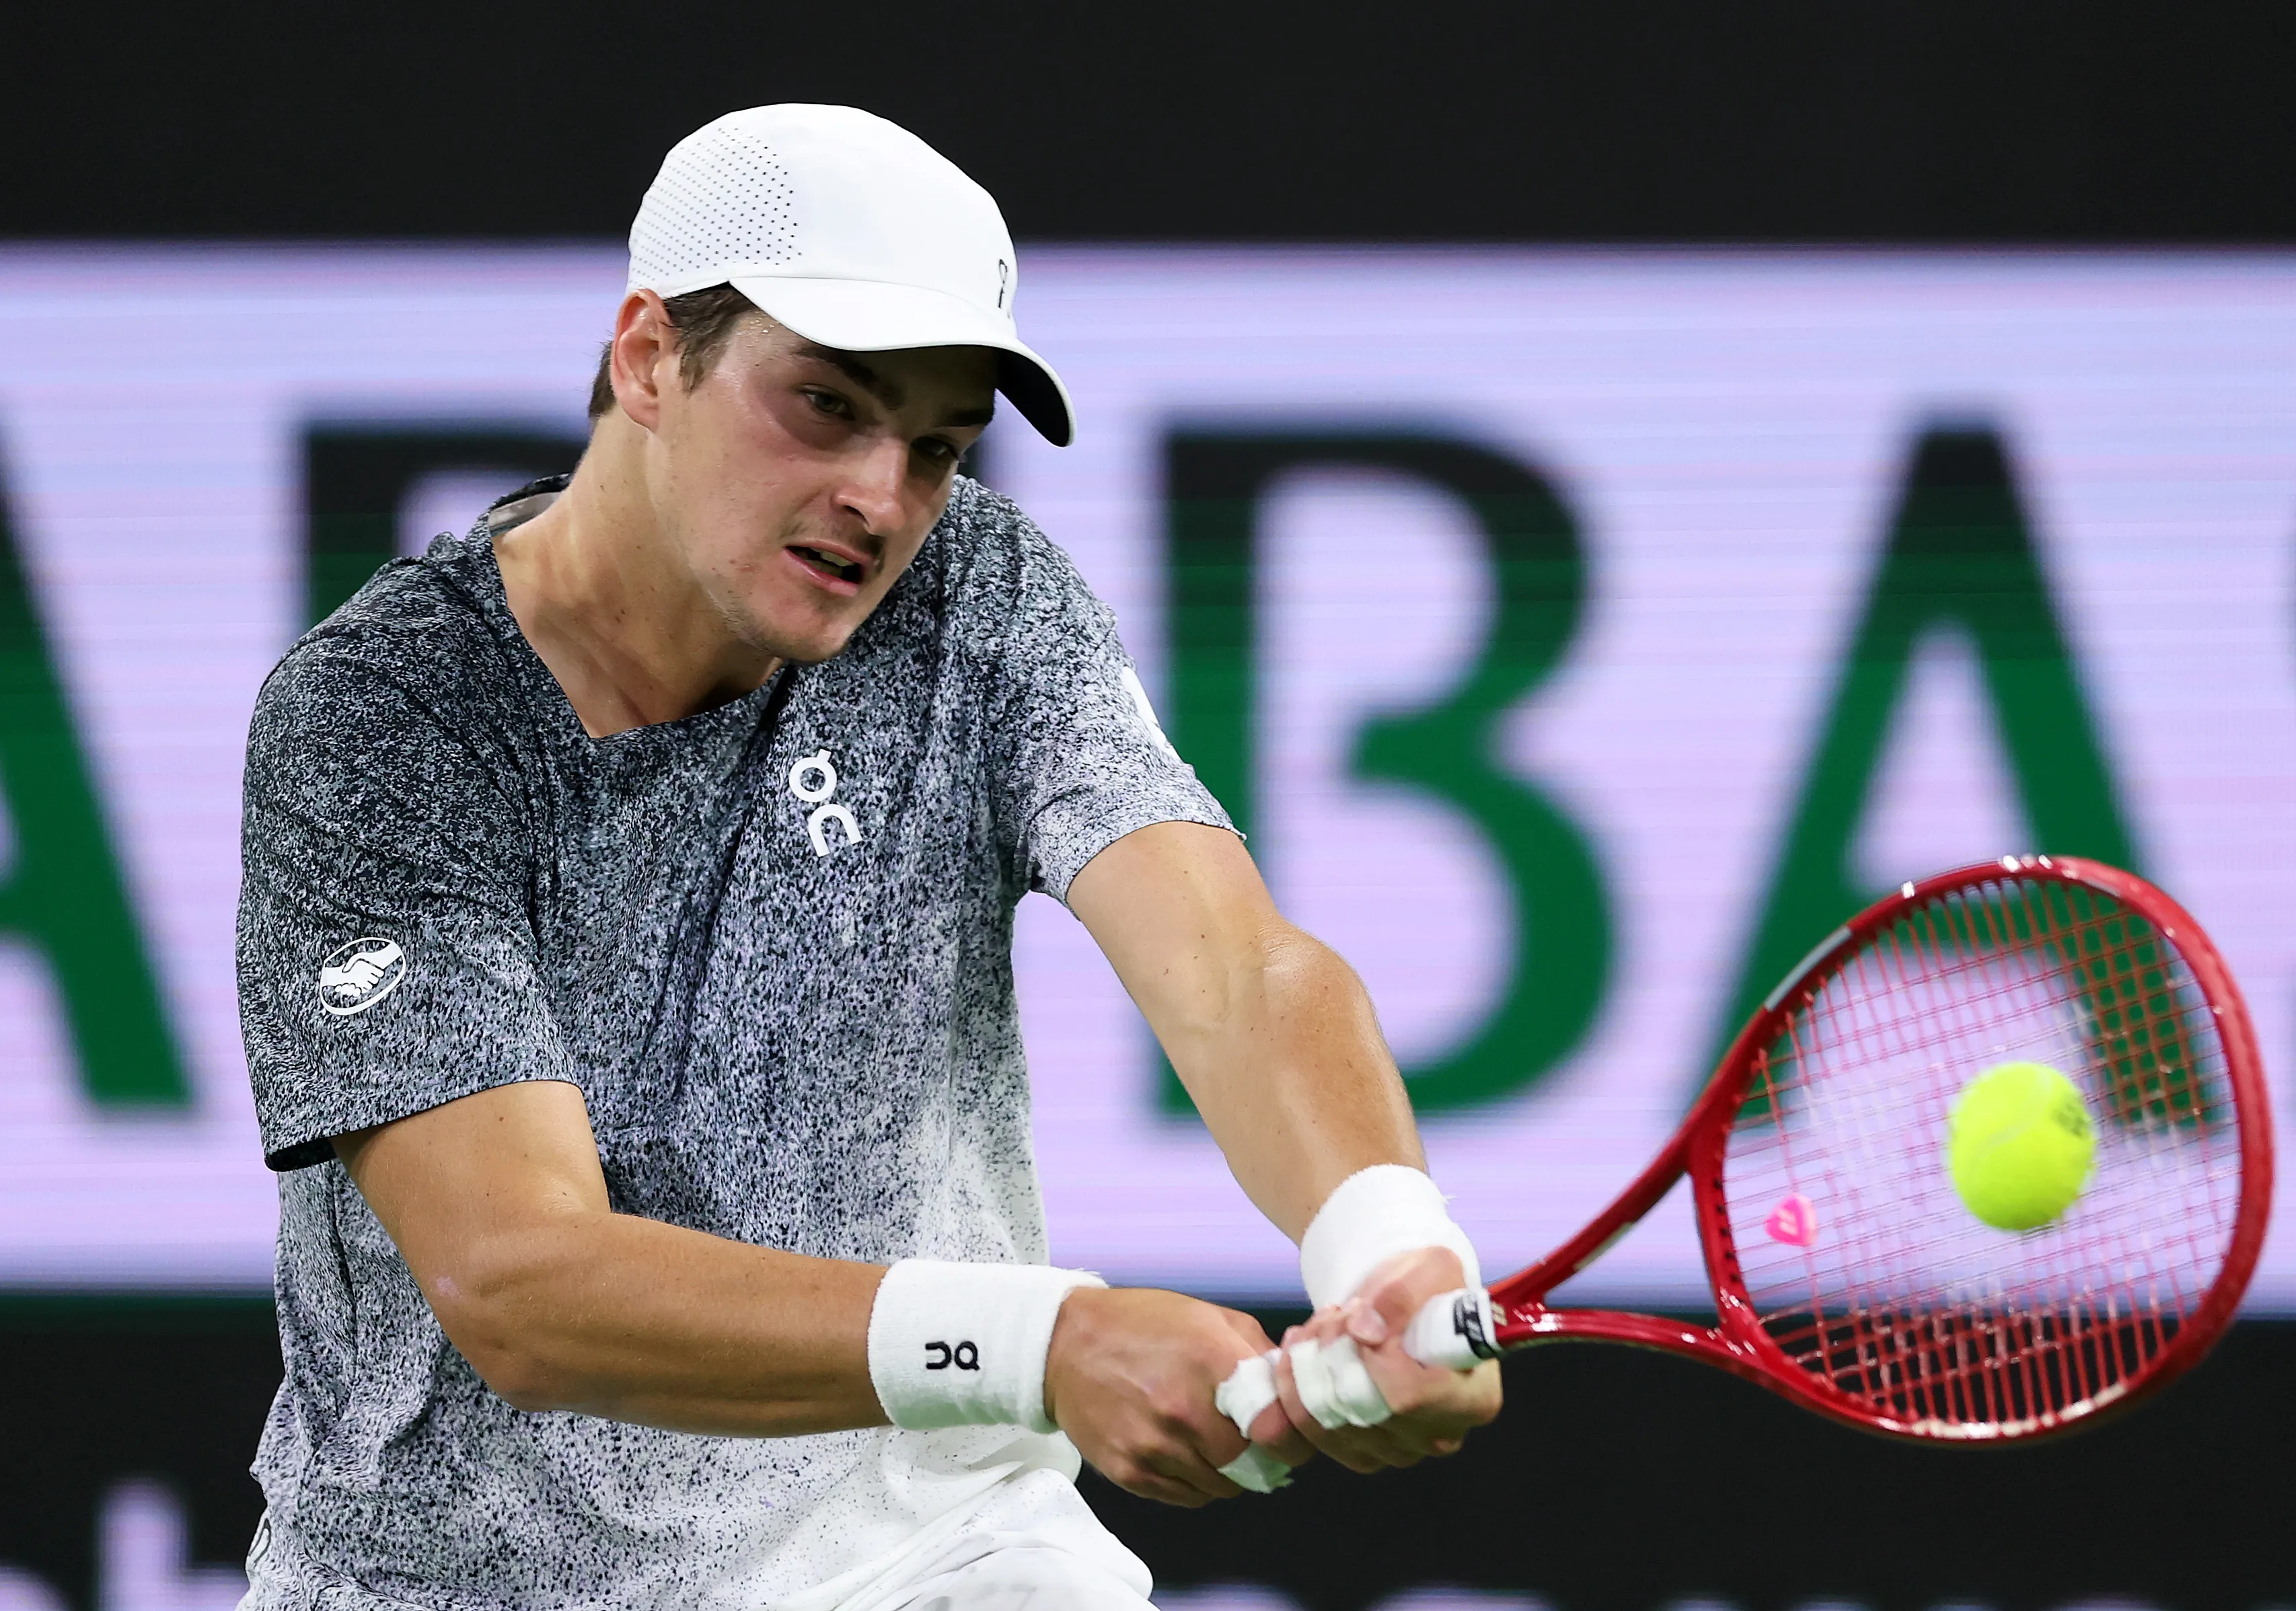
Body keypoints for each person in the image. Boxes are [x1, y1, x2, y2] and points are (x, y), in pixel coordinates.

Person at [235, 104, 1499, 1611]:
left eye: (938, 447)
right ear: (647, 358)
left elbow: (1234, 969)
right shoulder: (386, 715)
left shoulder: (977, 593)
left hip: (938, 1551)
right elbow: (519, 1279)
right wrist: (1039, 1342)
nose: (883, 500)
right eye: (827, 406)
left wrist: (1386, 1237)